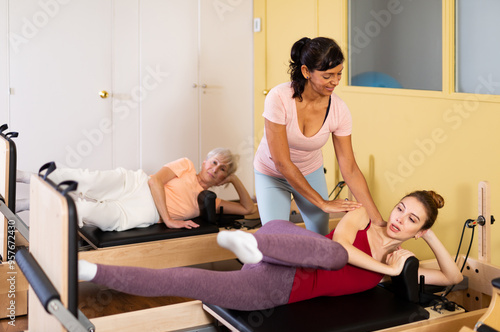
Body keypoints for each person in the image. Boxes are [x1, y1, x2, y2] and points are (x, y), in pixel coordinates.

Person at [78, 190, 463, 311]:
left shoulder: (399, 261)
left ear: (419, 230)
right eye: (400, 208)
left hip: (276, 287)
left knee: (184, 281)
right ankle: (250, 243)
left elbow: (453, 277)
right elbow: (343, 246)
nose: (399, 219)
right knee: (333, 254)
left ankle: (92, 272)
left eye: (412, 220)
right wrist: (389, 271)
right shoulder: (362, 215)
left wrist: (428, 240)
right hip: (293, 247)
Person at [254, 36, 383, 235]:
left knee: (320, 237)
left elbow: (349, 168)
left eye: (339, 74)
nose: (336, 81)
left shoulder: (339, 109)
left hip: (309, 172)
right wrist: (323, 203)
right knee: (275, 238)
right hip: (272, 174)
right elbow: (281, 162)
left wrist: (377, 220)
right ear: (306, 71)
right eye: (328, 76)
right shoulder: (278, 98)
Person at [17, 148, 255, 231]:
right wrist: (170, 219)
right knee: (87, 180)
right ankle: (24, 177)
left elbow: (247, 208)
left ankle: (28, 204)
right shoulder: (185, 165)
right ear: (205, 162)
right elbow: (155, 182)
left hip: (144, 213)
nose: (215, 169)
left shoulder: (210, 202)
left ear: (224, 178)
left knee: (88, 213)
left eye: (223, 169)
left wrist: (235, 180)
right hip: (136, 184)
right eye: (214, 162)